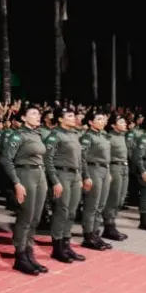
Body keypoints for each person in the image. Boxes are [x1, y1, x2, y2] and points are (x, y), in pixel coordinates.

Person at [0, 105, 48, 275]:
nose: (38, 116)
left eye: (38, 113)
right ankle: (20, 256)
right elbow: (6, 160)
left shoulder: (37, 134)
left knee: (35, 218)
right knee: (25, 217)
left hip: (39, 175)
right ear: (23, 118)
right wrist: (16, 182)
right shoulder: (17, 135)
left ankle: (29, 252)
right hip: (24, 174)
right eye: (33, 113)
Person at [44, 107, 86, 262]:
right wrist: (55, 181)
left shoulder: (74, 135)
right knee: (61, 210)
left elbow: (80, 158)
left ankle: (67, 244)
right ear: (60, 119)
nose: (73, 118)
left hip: (75, 175)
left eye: (73, 115)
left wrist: (81, 176)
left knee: (72, 212)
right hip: (62, 175)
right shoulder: (54, 136)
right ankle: (57, 247)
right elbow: (47, 160)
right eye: (69, 115)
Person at [79, 111, 113, 250]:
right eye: (99, 119)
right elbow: (82, 158)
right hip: (93, 170)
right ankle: (88, 236)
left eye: (103, 118)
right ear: (91, 122)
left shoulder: (103, 136)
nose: (103, 121)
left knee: (100, 205)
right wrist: (86, 176)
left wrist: (109, 172)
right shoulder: (87, 137)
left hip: (104, 170)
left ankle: (95, 233)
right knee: (91, 205)